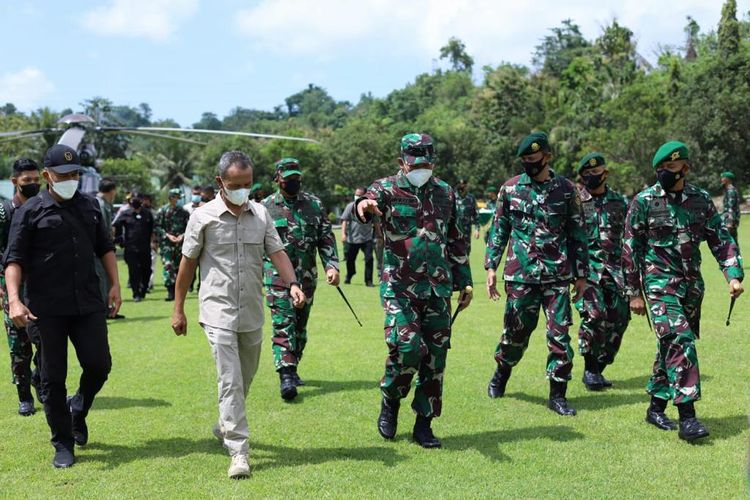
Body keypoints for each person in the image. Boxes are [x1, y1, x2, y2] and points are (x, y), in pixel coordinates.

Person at [171, 151, 305, 479]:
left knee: (245, 378)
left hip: (251, 311)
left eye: (247, 184)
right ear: (220, 183)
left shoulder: (261, 214)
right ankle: (239, 450)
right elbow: (187, 265)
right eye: (236, 185)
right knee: (229, 379)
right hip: (217, 310)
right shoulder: (203, 217)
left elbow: (277, 251)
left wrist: (293, 284)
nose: (243, 190)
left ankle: (224, 423)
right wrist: (178, 309)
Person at [4, 144, 121, 468]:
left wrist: (114, 284)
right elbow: (13, 260)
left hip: (87, 302)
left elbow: (105, 247)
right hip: (45, 308)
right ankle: (62, 443)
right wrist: (14, 300)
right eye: (63, 174)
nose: (70, 179)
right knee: (52, 379)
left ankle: (78, 409)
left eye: (75, 174)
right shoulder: (29, 212)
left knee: (99, 365)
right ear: (46, 176)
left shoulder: (90, 207)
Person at [356, 133, 473, 448]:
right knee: (407, 350)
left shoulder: (446, 193)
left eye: (427, 161)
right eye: (415, 161)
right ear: (401, 162)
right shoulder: (386, 189)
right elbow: (364, 206)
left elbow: (457, 239)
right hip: (400, 287)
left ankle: (424, 423)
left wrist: (465, 280)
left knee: (435, 359)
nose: (421, 166)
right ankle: (390, 399)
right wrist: (363, 206)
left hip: (438, 288)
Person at [622, 141, 744, 442]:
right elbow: (629, 249)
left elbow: (720, 238)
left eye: (671, 168)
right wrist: (633, 292)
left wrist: (733, 274)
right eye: (660, 169)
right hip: (658, 283)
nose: (664, 173)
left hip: (690, 286)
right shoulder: (644, 201)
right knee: (680, 338)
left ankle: (655, 407)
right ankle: (688, 417)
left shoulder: (700, 200)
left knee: (670, 345)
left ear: (685, 168)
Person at [485, 132, 587, 416]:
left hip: (557, 275)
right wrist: (491, 266)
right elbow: (499, 230)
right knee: (515, 335)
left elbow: (578, 233)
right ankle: (502, 371)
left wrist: (581, 274)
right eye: (525, 160)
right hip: (521, 275)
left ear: (547, 156)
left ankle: (558, 394)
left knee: (560, 336)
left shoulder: (567, 190)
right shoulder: (510, 189)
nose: (528, 164)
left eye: (533, 158)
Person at [261, 158, 339, 401]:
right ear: (277, 179)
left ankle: (293, 365)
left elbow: (326, 238)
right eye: (288, 179)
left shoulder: (314, 205)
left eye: (297, 178)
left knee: (300, 326)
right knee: (283, 321)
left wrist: (331, 266)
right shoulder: (265, 208)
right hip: (277, 278)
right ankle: (286, 373)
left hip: (306, 277)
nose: (293, 182)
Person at [574, 153, 630, 391]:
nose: (591, 177)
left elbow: (629, 237)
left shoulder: (619, 202)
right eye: (586, 174)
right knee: (594, 315)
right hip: (587, 271)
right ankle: (590, 368)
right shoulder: (575, 201)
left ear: (605, 174)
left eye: (596, 173)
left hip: (615, 271)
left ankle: (600, 363)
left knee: (620, 319)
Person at [0, 158, 41, 416]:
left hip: (41, 287)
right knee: (19, 345)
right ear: (15, 181)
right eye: (27, 181)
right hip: (11, 288)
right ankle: (24, 396)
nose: (33, 185)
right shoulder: (4, 212)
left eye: (37, 180)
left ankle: (42, 383)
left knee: (47, 342)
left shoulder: (44, 207)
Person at [113, 193, 154, 302]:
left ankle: (144, 289)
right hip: (131, 248)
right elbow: (116, 225)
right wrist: (119, 238)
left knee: (147, 270)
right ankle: (136, 293)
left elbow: (152, 228)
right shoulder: (125, 214)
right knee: (134, 271)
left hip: (145, 248)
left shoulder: (147, 214)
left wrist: (154, 242)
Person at [154, 188, 190, 301]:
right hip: (167, 245)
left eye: (179, 197)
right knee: (168, 266)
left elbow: (190, 227)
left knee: (179, 268)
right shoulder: (162, 211)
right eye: (177, 197)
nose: (179, 199)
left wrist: (183, 235)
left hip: (180, 245)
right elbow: (157, 227)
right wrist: (167, 235)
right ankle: (170, 291)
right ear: (171, 198)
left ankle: (178, 291)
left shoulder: (184, 212)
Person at [341, 186, 375, 286]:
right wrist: (343, 234)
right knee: (350, 260)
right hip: (352, 239)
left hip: (367, 238)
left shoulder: (370, 207)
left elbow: (376, 222)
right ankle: (350, 274)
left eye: (360, 195)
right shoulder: (350, 206)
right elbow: (344, 220)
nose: (357, 196)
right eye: (356, 195)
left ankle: (368, 281)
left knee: (369, 259)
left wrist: (379, 235)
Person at [455, 179, 479, 254]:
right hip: (454, 229)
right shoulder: (452, 196)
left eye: (464, 185)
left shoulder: (471, 198)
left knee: (466, 250)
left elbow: (476, 214)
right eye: (460, 185)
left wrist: (477, 229)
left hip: (466, 230)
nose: (462, 187)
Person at [720, 171, 741, 243]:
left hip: (730, 220)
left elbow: (730, 207)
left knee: (728, 242)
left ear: (727, 179)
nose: (721, 179)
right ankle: (736, 254)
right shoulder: (731, 190)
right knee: (733, 241)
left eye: (723, 177)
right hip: (732, 219)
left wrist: (729, 222)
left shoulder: (730, 191)